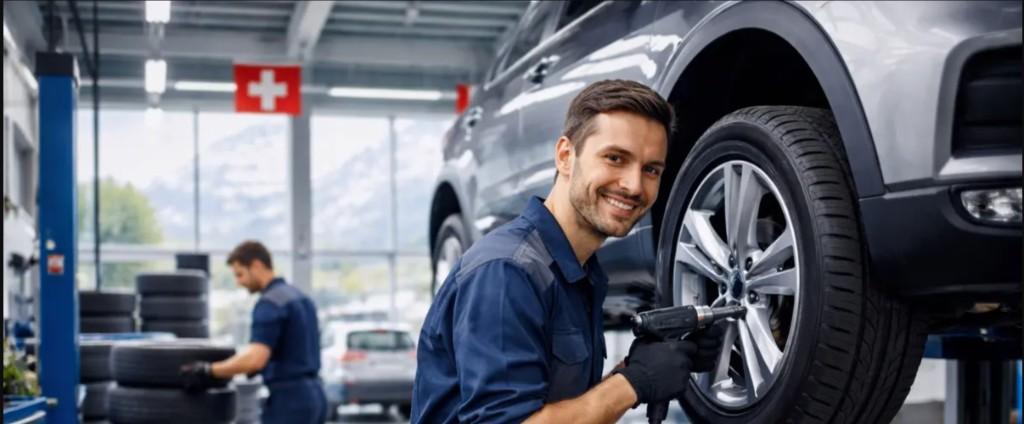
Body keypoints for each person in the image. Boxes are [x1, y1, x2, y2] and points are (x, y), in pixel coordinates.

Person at [412, 80, 724, 423]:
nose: (634, 185)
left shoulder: (578, 272)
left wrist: (641, 367)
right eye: (615, 158)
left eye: (651, 170)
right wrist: (632, 384)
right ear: (565, 156)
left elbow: (560, 409)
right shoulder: (507, 272)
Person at [179, 240, 326, 423]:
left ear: (256, 265)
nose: (239, 282)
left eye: (240, 274)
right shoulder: (301, 298)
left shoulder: (269, 303)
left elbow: (255, 359)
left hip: (289, 401)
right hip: (316, 396)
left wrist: (207, 370)